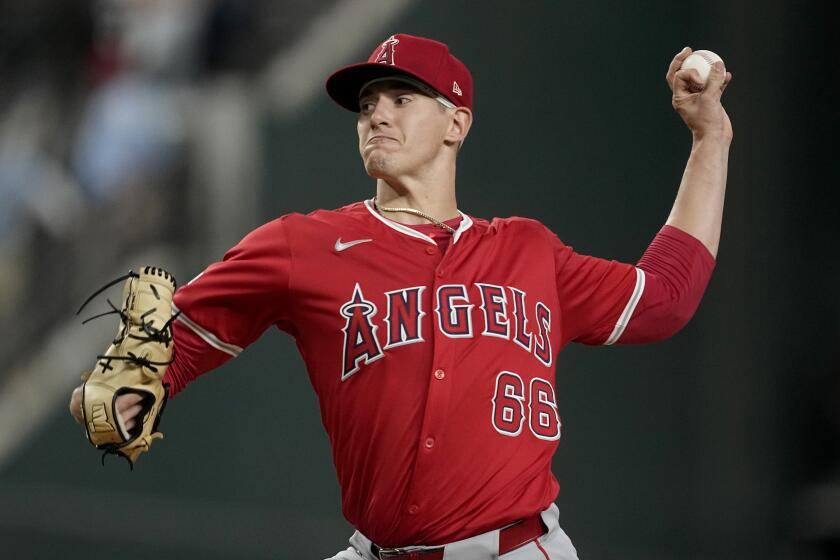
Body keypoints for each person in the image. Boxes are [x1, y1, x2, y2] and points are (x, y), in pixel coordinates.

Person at [70, 33, 732, 559]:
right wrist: (117, 388)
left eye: (400, 97)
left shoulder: (529, 252)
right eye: (366, 104)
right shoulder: (301, 246)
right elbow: (163, 356)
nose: (375, 113)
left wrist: (711, 138)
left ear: (456, 124)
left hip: (516, 550)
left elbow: (665, 297)